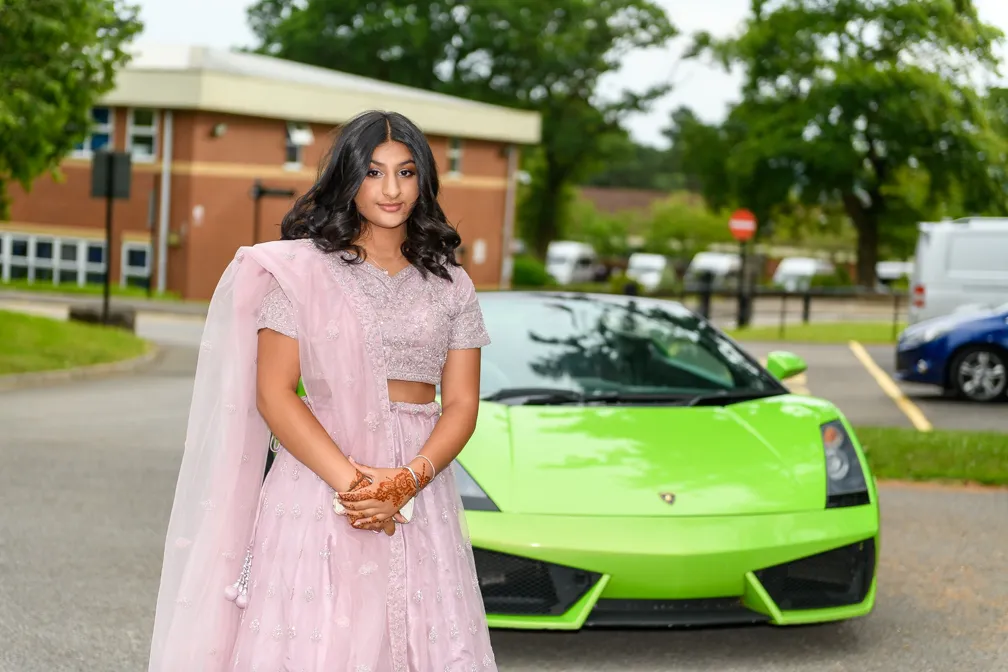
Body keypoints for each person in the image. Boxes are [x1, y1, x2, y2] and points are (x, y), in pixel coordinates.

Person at [147, 110, 498, 671]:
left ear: (424, 180)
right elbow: (275, 393)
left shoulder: (450, 282)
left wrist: (407, 480)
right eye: (373, 172)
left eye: (406, 173)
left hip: (419, 484)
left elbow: (460, 404)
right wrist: (358, 488)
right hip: (319, 481)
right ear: (347, 178)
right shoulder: (300, 270)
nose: (391, 189)